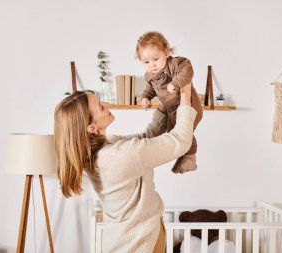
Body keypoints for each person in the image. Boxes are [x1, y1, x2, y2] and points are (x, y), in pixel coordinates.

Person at [54, 83, 196, 253]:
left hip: (127, 239)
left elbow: (146, 137)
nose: (106, 105)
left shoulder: (103, 151)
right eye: (100, 107)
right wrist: (186, 95)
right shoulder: (120, 156)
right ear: (92, 127)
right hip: (139, 242)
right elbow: (180, 141)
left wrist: (164, 105)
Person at [136, 31, 203, 174]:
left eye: (155, 59)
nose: (152, 65)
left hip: (188, 106)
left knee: (185, 132)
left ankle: (190, 158)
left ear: (166, 53)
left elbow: (187, 70)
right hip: (172, 109)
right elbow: (150, 89)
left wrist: (176, 83)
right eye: (146, 62)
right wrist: (145, 98)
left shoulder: (175, 64)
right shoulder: (149, 76)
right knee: (174, 134)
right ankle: (183, 157)